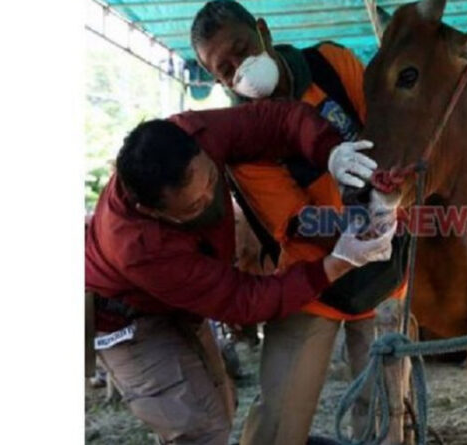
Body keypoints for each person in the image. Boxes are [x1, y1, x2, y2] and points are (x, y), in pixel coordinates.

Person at [85, 99, 395, 445]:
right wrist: (338, 263)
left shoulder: (193, 132)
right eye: (194, 205)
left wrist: (330, 151)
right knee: (199, 429)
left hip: (183, 304)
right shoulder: (138, 246)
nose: (210, 199)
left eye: (212, 181)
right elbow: (242, 300)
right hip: (128, 321)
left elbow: (274, 121)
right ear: (151, 211)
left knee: (222, 405)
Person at [189, 2, 407, 445]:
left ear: (263, 33)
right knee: (279, 418)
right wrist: (363, 231)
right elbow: (298, 220)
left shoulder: (330, 63)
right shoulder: (241, 144)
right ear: (217, 80)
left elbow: (388, 131)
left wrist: (390, 205)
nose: (242, 70)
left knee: (386, 411)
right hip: (312, 279)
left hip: (387, 271)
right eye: (226, 68)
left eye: (243, 49)